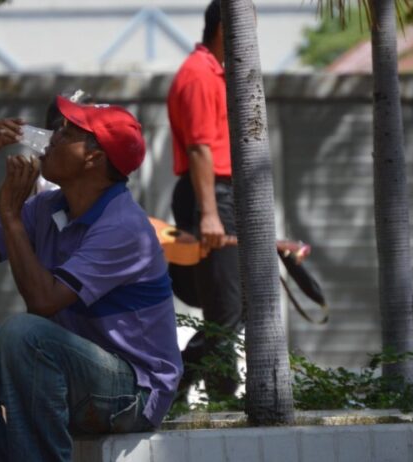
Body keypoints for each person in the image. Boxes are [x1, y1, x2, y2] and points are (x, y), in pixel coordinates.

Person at [0, 95, 182, 462]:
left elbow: (42, 303)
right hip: (71, 373)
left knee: (25, 333)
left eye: (68, 132)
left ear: (94, 157)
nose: (52, 136)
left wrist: (11, 217)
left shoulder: (122, 226)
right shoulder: (50, 206)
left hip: (131, 393)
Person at [166, 0, 242, 400]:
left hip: (222, 194)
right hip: (210, 195)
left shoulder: (216, 73)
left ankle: (188, 385)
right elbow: (198, 148)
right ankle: (208, 392)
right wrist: (210, 213)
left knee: (236, 303)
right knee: (226, 309)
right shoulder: (198, 75)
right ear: (225, 29)